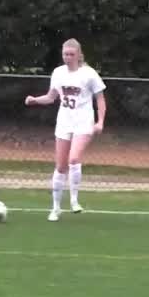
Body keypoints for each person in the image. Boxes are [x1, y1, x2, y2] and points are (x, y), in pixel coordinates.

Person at [24, 38, 107, 220]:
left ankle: (74, 200)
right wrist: (35, 100)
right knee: (61, 166)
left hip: (83, 121)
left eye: (71, 54)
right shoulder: (58, 73)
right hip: (64, 121)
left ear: (78, 55)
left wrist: (100, 122)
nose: (68, 57)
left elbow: (100, 99)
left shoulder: (89, 74)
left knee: (74, 158)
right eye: (65, 54)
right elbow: (51, 97)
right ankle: (55, 207)